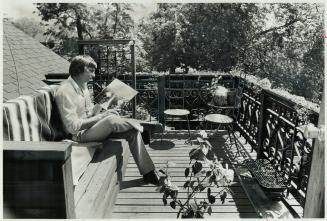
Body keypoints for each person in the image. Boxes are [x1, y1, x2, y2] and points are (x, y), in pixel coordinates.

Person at [55, 55, 159, 185]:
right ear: (79, 70)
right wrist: (103, 116)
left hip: (91, 127)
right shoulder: (65, 91)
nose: (93, 75)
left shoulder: (82, 85)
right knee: (111, 120)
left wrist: (104, 105)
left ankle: (149, 172)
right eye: (91, 71)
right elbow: (72, 127)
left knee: (132, 132)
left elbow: (89, 112)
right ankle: (142, 126)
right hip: (79, 136)